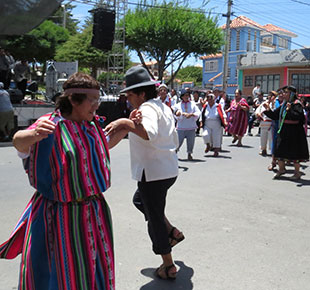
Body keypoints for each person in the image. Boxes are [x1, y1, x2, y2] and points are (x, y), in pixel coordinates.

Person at [0, 72, 127, 289]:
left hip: (94, 212)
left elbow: (101, 146)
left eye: (98, 99)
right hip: (59, 216)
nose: (97, 105)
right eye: (92, 100)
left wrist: (126, 124)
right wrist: (31, 135)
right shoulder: (49, 124)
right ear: (73, 99)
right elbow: (19, 144)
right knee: (58, 273)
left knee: (95, 270)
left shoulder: (92, 125)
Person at [105, 66, 184, 280]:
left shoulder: (148, 109)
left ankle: (168, 265)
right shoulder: (161, 106)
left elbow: (148, 134)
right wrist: (129, 123)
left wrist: (123, 122)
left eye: (129, 94)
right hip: (166, 169)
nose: (127, 98)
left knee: (154, 218)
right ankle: (171, 232)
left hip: (153, 172)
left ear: (141, 93)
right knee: (141, 202)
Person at [263, 86, 309, 180]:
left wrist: (290, 110)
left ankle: (297, 173)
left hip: (294, 132)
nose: (283, 94)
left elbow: (299, 117)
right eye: (283, 92)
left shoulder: (297, 104)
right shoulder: (284, 104)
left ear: (292, 94)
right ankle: (281, 169)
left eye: (286, 92)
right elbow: (275, 115)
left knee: (295, 152)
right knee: (279, 150)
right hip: (284, 130)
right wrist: (268, 110)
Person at [174, 88, 201, 160]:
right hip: (181, 127)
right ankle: (174, 153)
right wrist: (179, 115)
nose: (186, 97)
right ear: (182, 96)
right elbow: (174, 114)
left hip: (191, 126)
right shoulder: (178, 105)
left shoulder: (193, 104)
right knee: (178, 142)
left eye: (187, 95)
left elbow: (198, 112)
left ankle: (189, 153)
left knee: (191, 142)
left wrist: (191, 115)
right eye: (185, 95)